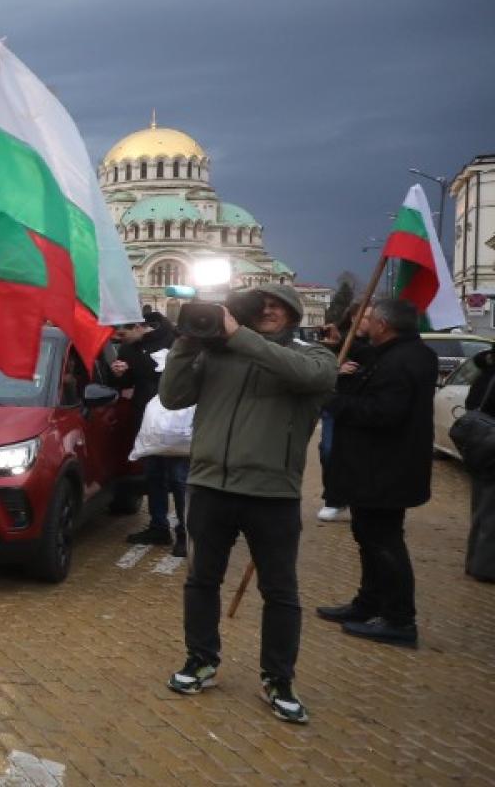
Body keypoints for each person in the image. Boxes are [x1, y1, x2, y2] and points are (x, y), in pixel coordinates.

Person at [159, 283, 335, 725]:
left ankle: (278, 679)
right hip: (210, 485)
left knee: (280, 591)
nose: (269, 310)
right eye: (261, 305)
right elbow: (172, 397)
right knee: (202, 580)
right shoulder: (218, 355)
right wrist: (185, 344)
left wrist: (239, 336)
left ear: (295, 314)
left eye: (278, 305)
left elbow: (306, 377)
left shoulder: (314, 358)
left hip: (271, 492)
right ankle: (201, 660)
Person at [316, 298, 436, 647]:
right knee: (368, 537)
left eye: (369, 318)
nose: (363, 322)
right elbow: (368, 363)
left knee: (384, 543)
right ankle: (368, 604)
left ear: (383, 325)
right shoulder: (404, 353)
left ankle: (399, 619)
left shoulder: (400, 361)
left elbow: (383, 413)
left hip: (384, 469)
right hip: (379, 468)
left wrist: (332, 400)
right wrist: (340, 345)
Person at [116, 321, 188, 555]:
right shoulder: (127, 349)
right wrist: (118, 373)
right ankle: (159, 528)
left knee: (180, 480)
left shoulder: (175, 340)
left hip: (177, 425)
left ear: (139, 326)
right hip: (148, 425)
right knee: (154, 477)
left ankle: (185, 534)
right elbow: (127, 384)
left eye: (123, 333)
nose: (120, 338)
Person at [315, 305, 365, 523]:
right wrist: (336, 368)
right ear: (354, 317)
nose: (368, 321)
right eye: (365, 316)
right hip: (336, 405)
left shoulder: (378, 343)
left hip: (363, 405)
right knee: (328, 450)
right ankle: (334, 499)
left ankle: (358, 499)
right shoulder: (338, 341)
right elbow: (318, 368)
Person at [453, 347, 495, 582]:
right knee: (489, 511)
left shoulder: (487, 371)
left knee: (482, 508)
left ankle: (476, 562)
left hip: (482, 447)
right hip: (489, 447)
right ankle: (485, 567)